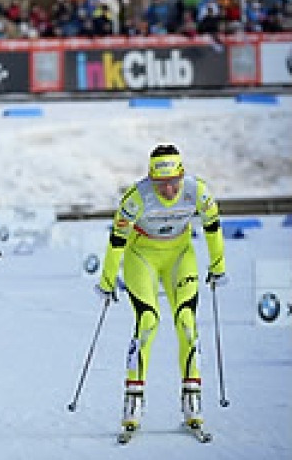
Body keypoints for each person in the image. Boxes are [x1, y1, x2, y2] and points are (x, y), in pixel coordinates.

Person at [94, 143, 227, 438]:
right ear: (151, 179)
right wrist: (106, 280)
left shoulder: (198, 191)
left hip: (180, 255)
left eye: (174, 183)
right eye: (161, 184)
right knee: (148, 322)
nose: (168, 190)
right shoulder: (136, 197)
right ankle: (132, 406)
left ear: (182, 176)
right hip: (141, 256)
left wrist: (218, 265)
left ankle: (192, 402)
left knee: (187, 323)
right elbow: (116, 241)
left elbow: (213, 226)